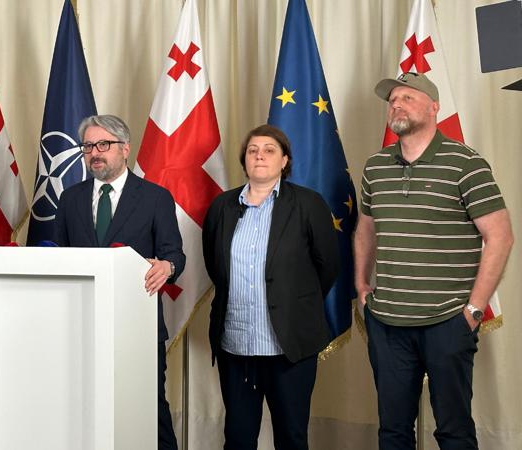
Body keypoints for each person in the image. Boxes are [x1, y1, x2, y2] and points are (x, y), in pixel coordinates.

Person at [354, 72, 514, 450]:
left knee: (453, 431)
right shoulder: (375, 166)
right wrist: (361, 286)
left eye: (408, 98)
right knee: (393, 431)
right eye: (393, 100)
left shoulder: (466, 164)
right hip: (388, 323)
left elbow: (500, 237)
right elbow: (365, 230)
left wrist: (474, 309)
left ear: (434, 107)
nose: (396, 104)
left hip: (448, 321)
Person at [202, 124, 339, 450]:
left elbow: (328, 266)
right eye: (252, 151)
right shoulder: (222, 207)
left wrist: (293, 301)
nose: (259, 156)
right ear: (244, 160)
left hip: (289, 348)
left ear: (284, 160)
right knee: (238, 438)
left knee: (291, 437)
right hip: (236, 347)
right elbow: (215, 266)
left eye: (269, 150)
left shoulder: (308, 204)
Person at [54, 114, 185, 450]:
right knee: (82, 407)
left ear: (125, 149)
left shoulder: (155, 197)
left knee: (149, 408)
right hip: (80, 324)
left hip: (137, 325)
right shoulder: (70, 199)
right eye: (88, 147)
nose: (94, 153)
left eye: (103, 144)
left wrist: (168, 266)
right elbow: (58, 257)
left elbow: (174, 254)